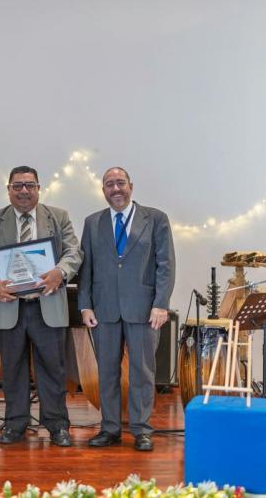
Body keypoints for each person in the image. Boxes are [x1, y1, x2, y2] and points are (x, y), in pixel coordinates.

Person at [0, 165, 82, 447]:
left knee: (53, 369)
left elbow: (74, 251)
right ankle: (15, 423)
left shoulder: (58, 216)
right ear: (8, 189)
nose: (24, 191)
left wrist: (60, 272)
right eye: (18, 186)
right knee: (12, 370)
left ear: (38, 188)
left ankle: (57, 425)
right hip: (9, 305)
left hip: (47, 304)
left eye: (30, 185)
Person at [78, 166, 175, 451]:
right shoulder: (92, 222)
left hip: (144, 309)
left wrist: (161, 304)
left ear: (131, 186)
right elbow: (86, 269)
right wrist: (85, 305)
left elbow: (166, 265)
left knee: (142, 372)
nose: (116, 189)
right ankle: (110, 428)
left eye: (120, 183)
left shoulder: (155, 219)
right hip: (104, 309)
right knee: (107, 372)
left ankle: (142, 429)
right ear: (103, 190)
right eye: (110, 184)